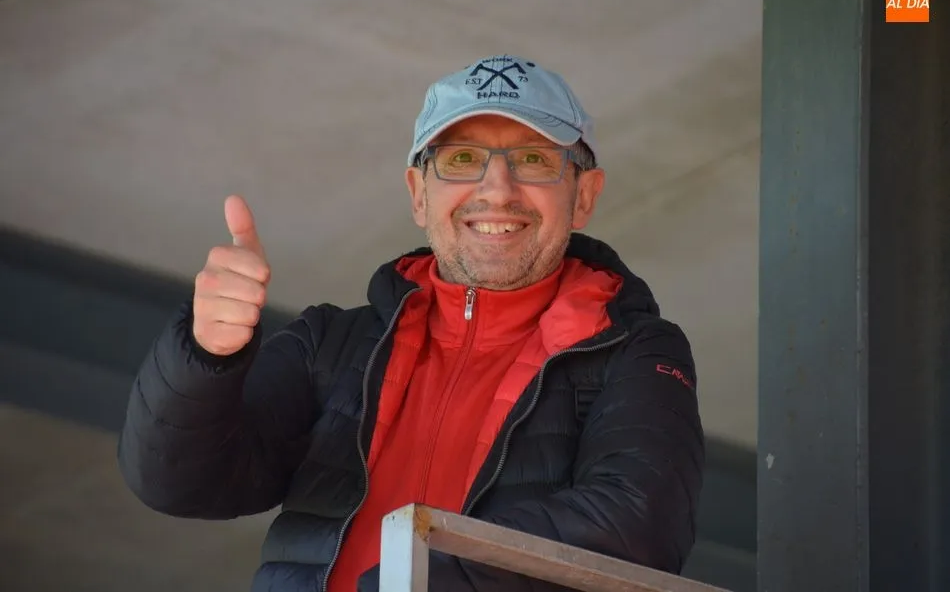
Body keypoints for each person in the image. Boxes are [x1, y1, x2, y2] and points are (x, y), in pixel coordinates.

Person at [117, 54, 705, 592]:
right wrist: (205, 357)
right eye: (462, 159)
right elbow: (177, 481)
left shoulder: (635, 351)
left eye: (534, 160)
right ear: (418, 193)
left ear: (584, 196)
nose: (497, 190)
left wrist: (412, 577)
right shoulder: (330, 344)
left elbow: (639, 526)